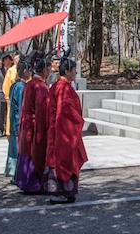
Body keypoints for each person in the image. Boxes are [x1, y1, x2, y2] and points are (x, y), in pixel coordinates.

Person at [45, 57, 88, 204]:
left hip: (56, 130)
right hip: (64, 131)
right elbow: (66, 112)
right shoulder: (64, 88)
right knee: (65, 160)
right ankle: (63, 193)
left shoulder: (57, 86)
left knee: (57, 160)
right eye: (74, 70)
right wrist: (78, 122)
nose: (76, 72)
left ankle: (58, 192)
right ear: (67, 71)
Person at [15, 57, 49, 194]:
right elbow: (42, 110)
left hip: (25, 123)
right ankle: (33, 183)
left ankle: (23, 180)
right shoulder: (40, 87)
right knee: (34, 152)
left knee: (25, 150)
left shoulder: (29, 84)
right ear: (44, 70)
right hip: (35, 124)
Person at [5, 60, 30, 178]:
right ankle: (16, 173)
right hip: (18, 123)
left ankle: (13, 171)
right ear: (25, 72)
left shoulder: (15, 85)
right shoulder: (21, 87)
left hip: (14, 122)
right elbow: (22, 108)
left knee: (14, 147)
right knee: (17, 148)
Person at [2, 53, 19, 135]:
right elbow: (6, 85)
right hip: (12, 96)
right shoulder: (11, 70)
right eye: (16, 59)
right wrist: (7, 96)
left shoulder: (24, 70)